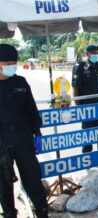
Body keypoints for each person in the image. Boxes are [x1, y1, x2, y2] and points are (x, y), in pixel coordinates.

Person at [0, 44, 48, 218]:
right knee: (3, 184)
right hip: (1, 139)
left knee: (32, 178)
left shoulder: (20, 82)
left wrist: (38, 133)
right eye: (7, 63)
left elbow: (32, 110)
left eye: (14, 62)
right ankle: (9, 214)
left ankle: (42, 212)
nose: (11, 66)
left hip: (23, 136)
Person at [72, 44, 98, 153]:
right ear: (87, 54)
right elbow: (75, 90)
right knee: (87, 133)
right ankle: (87, 156)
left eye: (97, 53)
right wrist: (78, 109)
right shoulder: (79, 67)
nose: (95, 55)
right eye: (93, 53)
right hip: (86, 108)